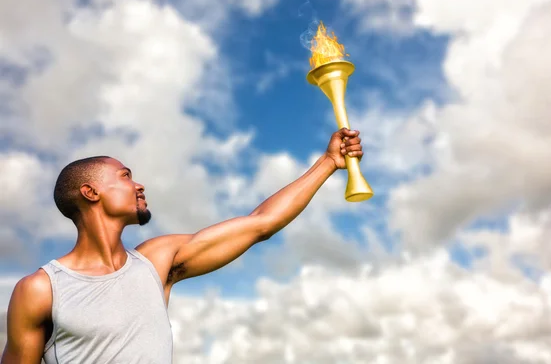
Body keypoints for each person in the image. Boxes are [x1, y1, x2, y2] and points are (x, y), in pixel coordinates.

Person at [1, 127, 364, 364]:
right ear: (90, 192)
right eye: (125, 176)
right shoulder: (41, 289)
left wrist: (329, 162)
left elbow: (260, 225)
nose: (139, 185)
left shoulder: (157, 261)